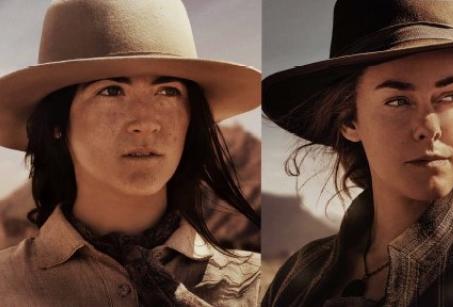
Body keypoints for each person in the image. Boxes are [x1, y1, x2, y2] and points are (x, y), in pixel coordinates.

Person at [261, 1, 453, 306]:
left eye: (450, 96)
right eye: (398, 101)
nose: (429, 127)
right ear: (349, 120)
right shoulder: (297, 276)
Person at [0, 1, 262, 306]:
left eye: (168, 91)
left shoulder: (257, 286)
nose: (145, 123)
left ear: (191, 118)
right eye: (111, 91)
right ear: (56, 124)